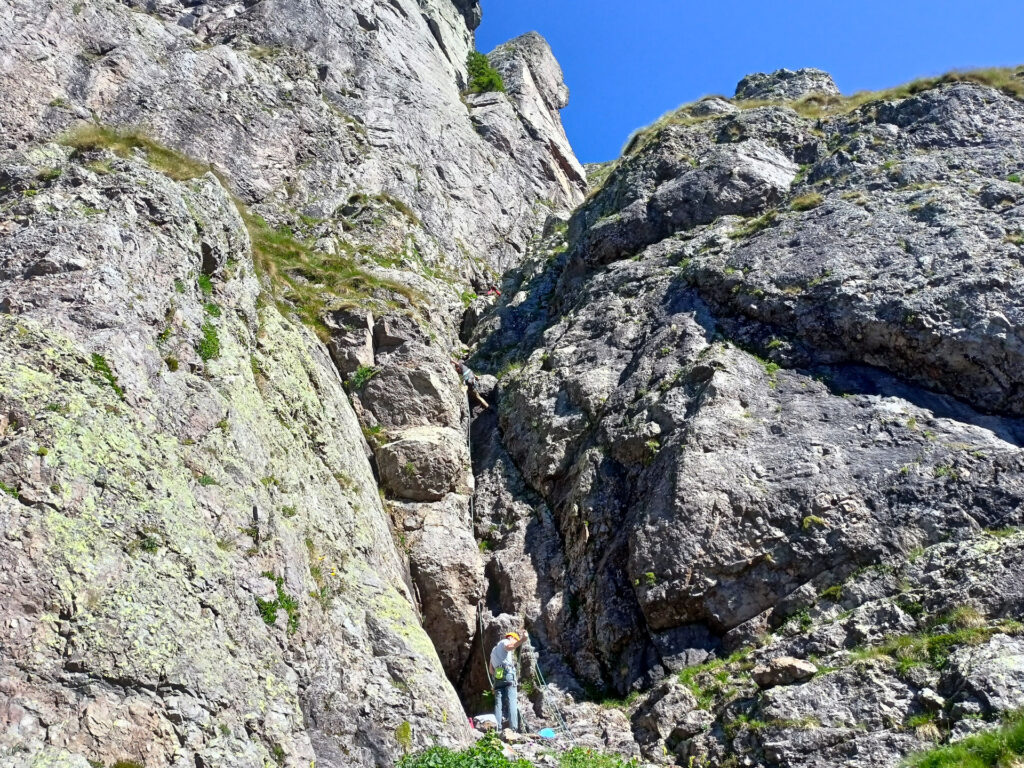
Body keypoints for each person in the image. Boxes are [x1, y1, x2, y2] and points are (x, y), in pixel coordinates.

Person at [489, 630, 528, 734]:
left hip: (498, 676)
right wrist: (522, 640)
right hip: (508, 674)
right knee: (512, 700)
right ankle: (513, 729)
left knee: (498, 703)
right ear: (512, 638)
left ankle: (498, 728)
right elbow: (509, 646)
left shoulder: (493, 651)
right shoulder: (505, 641)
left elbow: (491, 670)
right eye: (515, 640)